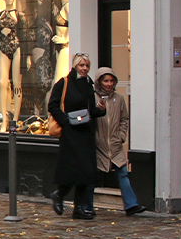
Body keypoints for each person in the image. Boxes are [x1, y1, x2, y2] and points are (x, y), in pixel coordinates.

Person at [48, 53, 106, 219]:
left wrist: (101, 110)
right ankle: (59, 194)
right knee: (72, 169)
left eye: (87, 66)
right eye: (81, 65)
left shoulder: (88, 84)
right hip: (71, 134)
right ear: (75, 66)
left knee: (86, 171)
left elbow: (90, 110)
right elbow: (53, 105)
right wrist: (65, 121)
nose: (84, 68)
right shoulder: (64, 83)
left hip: (86, 133)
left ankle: (78, 208)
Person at [93, 67, 145, 216]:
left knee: (123, 172)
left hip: (115, 143)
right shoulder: (93, 98)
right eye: (105, 81)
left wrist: (122, 136)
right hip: (98, 144)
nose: (109, 84)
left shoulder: (119, 98)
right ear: (99, 82)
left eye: (111, 81)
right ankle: (86, 205)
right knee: (91, 176)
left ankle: (131, 204)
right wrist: (95, 138)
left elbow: (124, 119)